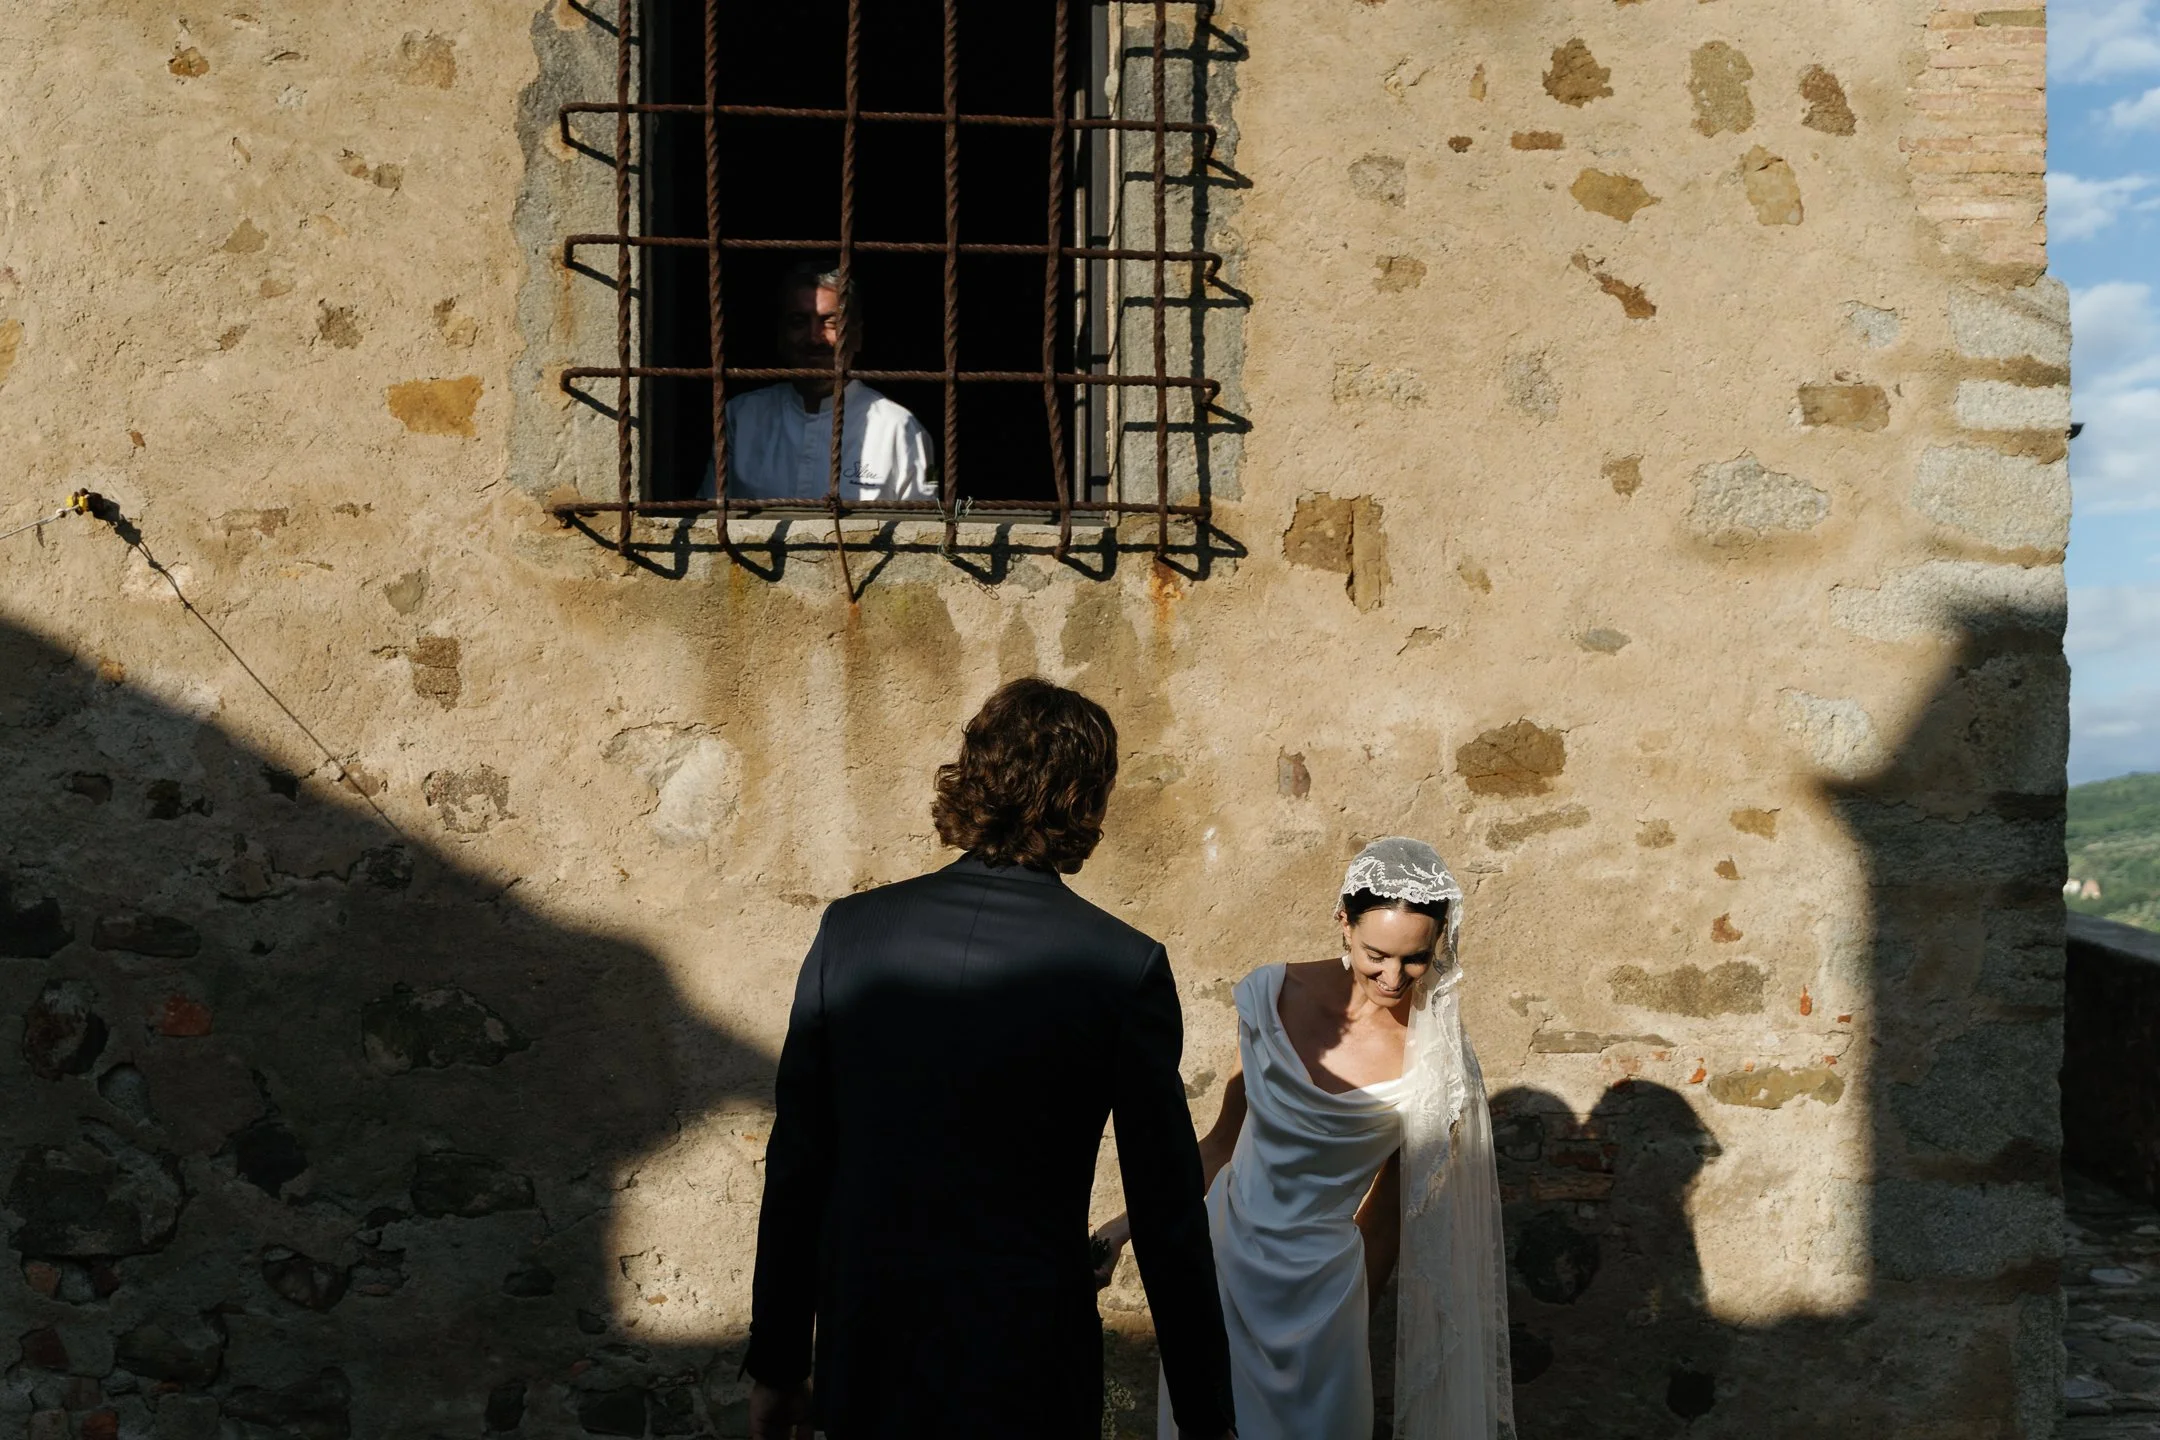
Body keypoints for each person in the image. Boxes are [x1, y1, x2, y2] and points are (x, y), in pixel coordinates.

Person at [744, 677, 1237, 1440]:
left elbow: (798, 1163)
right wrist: (1209, 1418)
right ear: (1090, 802)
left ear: (973, 775)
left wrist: (778, 1364)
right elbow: (1169, 1212)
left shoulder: (851, 933)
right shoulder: (1123, 967)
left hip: (869, 1351)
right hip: (1028, 1362)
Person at [1092, 837, 1514, 1440]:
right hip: (1223, 1270)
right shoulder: (1270, 997)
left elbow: (1392, 1213)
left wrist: (1345, 1325)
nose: (1393, 977)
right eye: (1376, 954)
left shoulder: (1437, 1059)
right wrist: (1122, 1229)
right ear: (1343, 923)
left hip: (1325, 1300)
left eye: (1415, 959)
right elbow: (1218, 1147)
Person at [701, 261, 935, 505]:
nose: (814, 338)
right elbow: (708, 519)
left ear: (857, 337)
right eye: (799, 322)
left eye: (830, 322)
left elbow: (924, 531)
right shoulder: (742, 417)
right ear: (780, 335)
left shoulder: (898, 428)